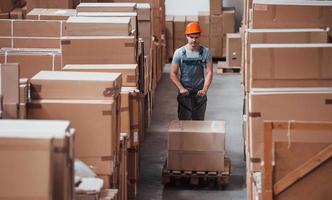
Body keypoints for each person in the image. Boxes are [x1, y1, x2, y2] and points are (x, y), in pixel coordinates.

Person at [170, 22, 213, 120]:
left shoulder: (206, 52)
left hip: (200, 94)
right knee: (184, 123)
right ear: (186, 36)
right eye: (191, 37)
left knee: (199, 122)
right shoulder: (179, 53)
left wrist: (205, 89)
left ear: (200, 36)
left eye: (196, 37)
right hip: (185, 93)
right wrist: (181, 88)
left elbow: (209, 72)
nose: (194, 40)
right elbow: (173, 73)